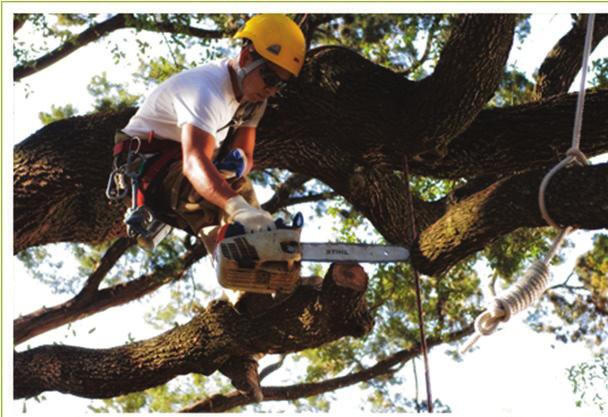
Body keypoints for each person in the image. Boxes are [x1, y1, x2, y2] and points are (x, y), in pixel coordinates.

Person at [109, 14, 306, 252]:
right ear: (245, 57)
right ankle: (245, 248)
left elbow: (245, 152)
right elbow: (194, 164)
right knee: (223, 201)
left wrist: (238, 163)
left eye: (279, 85)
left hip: (181, 162)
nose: (271, 90)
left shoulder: (254, 101)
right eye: (269, 78)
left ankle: (258, 260)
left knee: (238, 186)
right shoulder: (206, 91)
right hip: (147, 163)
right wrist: (238, 208)